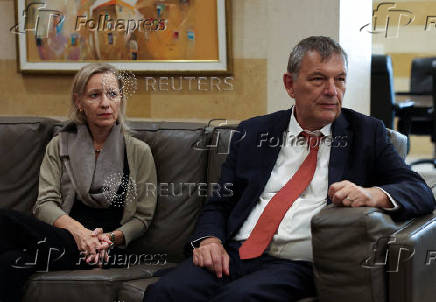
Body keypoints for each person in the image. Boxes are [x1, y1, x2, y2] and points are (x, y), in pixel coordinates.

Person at [143, 36, 435, 301]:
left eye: (340, 79)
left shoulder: (366, 133)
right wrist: (209, 240)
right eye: (318, 79)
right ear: (289, 84)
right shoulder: (254, 132)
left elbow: (420, 191)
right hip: (235, 253)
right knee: (165, 292)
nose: (332, 91)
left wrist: (373, 195)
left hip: (297, 263)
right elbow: (220, 202)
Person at [0, 63, 157, 302]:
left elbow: (142, 218)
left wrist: (107, 240)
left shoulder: (139, 152)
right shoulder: (59, 145)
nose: (105, 103)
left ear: (120, 99)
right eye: (95, 95)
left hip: (106, 249)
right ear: (79, 102)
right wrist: (80, 233)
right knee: (10, 262)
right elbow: (45, 204)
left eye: (112, 94)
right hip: (61, 237)